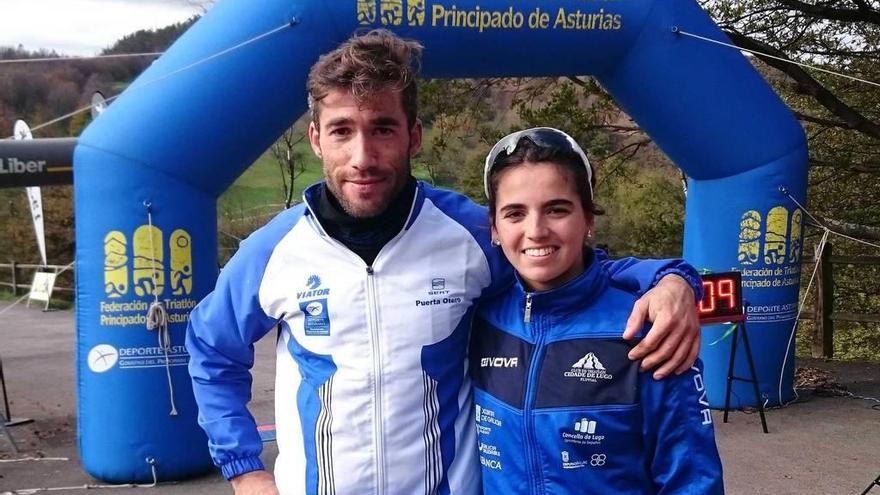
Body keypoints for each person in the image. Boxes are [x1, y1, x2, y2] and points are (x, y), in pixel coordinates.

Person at [186, 30, 704, 495]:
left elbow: (565, 264)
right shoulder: (274, 249)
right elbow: (211, 347)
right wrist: (244, 468)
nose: (363, 156)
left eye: (383, 128)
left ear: (413, 135)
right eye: (342, 130)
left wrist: (671, 278)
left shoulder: (472, 234)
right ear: (317, 138)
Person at [471, 127, 723, 494]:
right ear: (494, 228)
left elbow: (692, 480)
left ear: (588, 220)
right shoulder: (480, 316)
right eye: (515, 214)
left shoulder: (647, 327)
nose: (536, 230)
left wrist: (677, 279)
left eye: (556, 209)